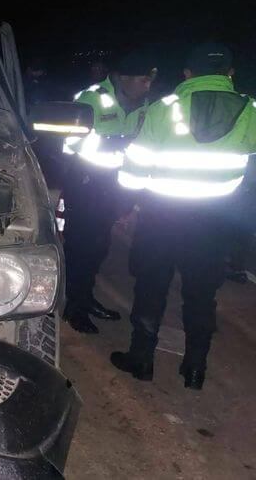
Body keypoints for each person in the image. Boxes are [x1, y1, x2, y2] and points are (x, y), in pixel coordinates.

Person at [111, 43, 256, 390]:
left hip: (163, 216)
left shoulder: (164, 109)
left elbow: (134, 171)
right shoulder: (250, 110)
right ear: (230, 74)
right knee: (202, 294)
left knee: (151, 286)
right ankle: (194, 368)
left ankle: (142, 359)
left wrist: (127, 204)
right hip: (214, 220)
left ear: (187, 74)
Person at [61, 50, 157, 334]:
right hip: (86, 182)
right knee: (80, 246)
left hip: (114, 185)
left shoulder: (144, 105)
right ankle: (73, 308)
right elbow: (71, 142)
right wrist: (118, 143)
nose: (147, 86)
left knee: (100, 247)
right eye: (143, 80)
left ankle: (85, 298)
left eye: (150, 81)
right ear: (124, 78)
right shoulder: (92, 98)